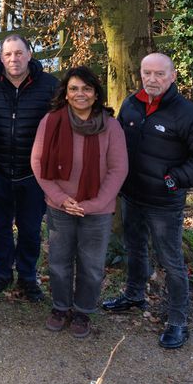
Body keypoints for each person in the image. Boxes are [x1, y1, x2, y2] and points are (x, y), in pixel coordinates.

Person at [102, 52, 193, 350]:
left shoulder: (187, 114)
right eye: (147, 73)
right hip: (132, 196)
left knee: (170, 260)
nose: (152, 80)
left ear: (172, 76)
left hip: (164, 203)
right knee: (134, 248)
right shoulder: (130, 105)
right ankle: (134, 294)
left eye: (159, 74)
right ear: (140, 73)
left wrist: (174, 180)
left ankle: (178, 320)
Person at [30, 66, 128, 339]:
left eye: (86, 89)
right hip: (60, 207)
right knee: (59, 261)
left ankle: (83, 311)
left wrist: (94, 204)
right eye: (73, 89)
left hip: (97, 210)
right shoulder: (50, 121)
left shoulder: (111, 126)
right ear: (66, 92)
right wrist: (62, 200)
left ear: (96, 94)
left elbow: (118, 169)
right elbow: (37, 164)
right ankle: (61, 307)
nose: (79, 94)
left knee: (91, 264)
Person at [0, 34, 59, 302]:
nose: (14, 59)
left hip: (33, 174)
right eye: (8, 54)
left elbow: (60, 129)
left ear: (30, 55)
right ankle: (1, 273)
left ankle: (27, 276)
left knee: (31, 228)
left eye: (19, 53)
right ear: (1, 57)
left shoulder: (49, 86)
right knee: (0, 226)